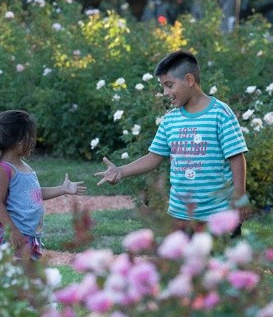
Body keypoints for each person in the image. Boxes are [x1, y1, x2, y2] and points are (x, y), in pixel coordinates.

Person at [94, 49, 249, 238]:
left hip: (219, 215)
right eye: (163, 87)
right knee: (186, 267)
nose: (165, 92)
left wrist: (240, 195)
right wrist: (120, 171)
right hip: (180, 215)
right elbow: (153, 157)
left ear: (189, 80)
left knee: (221, 266)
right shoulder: (170, 120)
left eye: (169, 85)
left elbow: (236, 156)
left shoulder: (220, 113)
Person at [0, 109, 87, 261]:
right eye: (30, 137)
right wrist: (12, 231)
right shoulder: (4, 169)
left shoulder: (24, 166)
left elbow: (35, 193)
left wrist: (63, 189)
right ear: (18, 140)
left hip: (30, 235)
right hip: (16, 236)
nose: (33, 142)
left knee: (28, 280)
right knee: (18, 280)